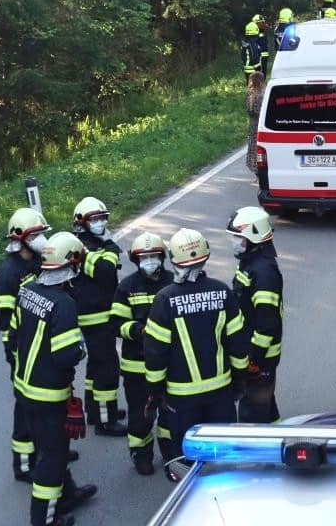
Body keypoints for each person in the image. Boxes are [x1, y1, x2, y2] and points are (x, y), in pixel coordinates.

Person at [9, 231, 98, 526]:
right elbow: (66, 355)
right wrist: (81, 348)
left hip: (25, 389)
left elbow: (13, 332)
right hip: (48, 396)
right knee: (52, 458)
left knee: (52, 448)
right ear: (71, 264)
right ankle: (45, 520)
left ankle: (68, 494)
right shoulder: (64, 304)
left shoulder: (27, 289)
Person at [144, 228, 246, 474]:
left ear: (174, 260)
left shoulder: (164, 299)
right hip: (221, 392)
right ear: (206, 256)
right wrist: (240, 379)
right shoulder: (223, 293)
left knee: (188, 455)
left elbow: (156, 353)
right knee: (223, 453)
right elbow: (238, 344)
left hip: (181, 397)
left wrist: (155, 392)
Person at [111, 232, 174, 476]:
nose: (149, 261)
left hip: (169, 364)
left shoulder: (173, 282)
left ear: (162, 257)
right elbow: (116, 324)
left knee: (170, 413)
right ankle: (141, 453)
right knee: (140, 415)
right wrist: (139, 330)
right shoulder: (126, 287)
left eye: (153, 256)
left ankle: (172, 454)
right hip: (137, 366)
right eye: (143, 257)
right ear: (135, 260)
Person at [0, 207, 49, 482]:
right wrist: (14, 353)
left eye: (42, 233)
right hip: (20, 348)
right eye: (36, 234)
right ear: (20, 238)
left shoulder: (39, 261)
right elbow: (4, 321)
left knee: (44, 404)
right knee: (26, 405)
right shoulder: (8, 272)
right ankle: (24, 463)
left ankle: (47, 451)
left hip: (40, 343)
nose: (41, 238)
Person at [70, 197, 127, 437]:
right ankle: (106, 419)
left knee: (96, 364)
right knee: (107, 367)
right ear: (82, 223)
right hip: (96, 317)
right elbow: (105, 271)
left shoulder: (91, 243)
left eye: (102, 218)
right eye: (94, 219)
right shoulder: (82, 248)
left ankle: (94, 410)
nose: (100, 223)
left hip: (96, 314)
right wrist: (111, 247)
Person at [227, 206, 284, 424]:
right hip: (254, 352)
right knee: (265, 406)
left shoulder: (264, 272)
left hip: (261, 356)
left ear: (252, 238)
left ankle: (256, 458)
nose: (234, 241)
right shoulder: (251, 264)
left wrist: (254, 359)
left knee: (252, 412)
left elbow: (266, 323)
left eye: (238, 237)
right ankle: (276, 438)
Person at [245, 71, 266, 175]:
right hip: (262, 125)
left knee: (253, 147)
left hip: (253, 125)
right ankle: (262, 170)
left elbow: (249, 111)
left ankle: (255, 170)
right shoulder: (264, 94)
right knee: (262, 147)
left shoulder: (249, 94)